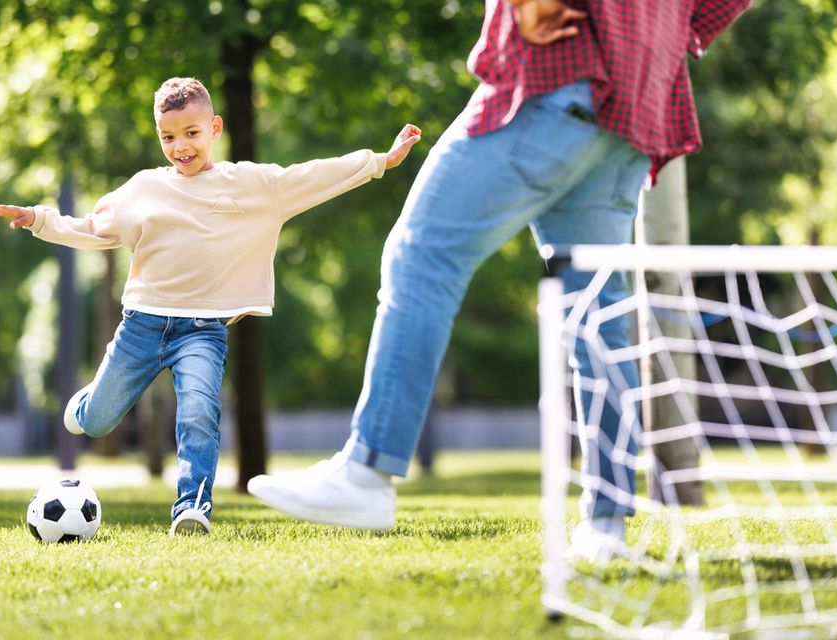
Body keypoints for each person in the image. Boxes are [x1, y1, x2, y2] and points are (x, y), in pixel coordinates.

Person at [246, 0, 750, 559]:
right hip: (638, 106)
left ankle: (366, 471)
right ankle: (606, 527)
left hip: (557, 79)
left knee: (423, 255)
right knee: (598, 317)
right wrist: (664, 35)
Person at [0, 77, 421, 536]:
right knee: (96, 423)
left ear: (214, 128)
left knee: (198, 411)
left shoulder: (252, 185)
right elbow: (92, 228)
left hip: (202, 331)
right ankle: (88, 405)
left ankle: (192, 506)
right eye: (168, 137)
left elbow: (311, 175)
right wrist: (36, 218)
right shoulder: (143, 189)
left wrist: (380, 162)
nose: (181, 147)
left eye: (191, 133)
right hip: (142, 326)